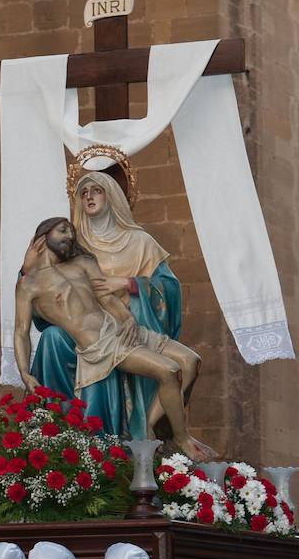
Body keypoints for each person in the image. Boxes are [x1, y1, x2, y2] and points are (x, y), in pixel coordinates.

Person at [14, 217, 213, 461]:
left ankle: (150, 430)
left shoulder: (83, 263)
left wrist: (127, 318)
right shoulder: (29, 284)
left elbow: (106, 298)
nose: (70, 236)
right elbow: (21, 331)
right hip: (101, 345)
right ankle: (181, 440)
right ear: (43, 238)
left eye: (72, 232)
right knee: (169, 371)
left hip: (120, 328)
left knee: (191, 361)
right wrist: (24, 372)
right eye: (62, 230)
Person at [25, 171, 182, 437]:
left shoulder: (141, 242)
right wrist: (26, 268)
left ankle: (133, 433)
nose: (89, 197)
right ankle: (55, 425)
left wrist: (129, 284)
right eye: (83, 193)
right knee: (52, 337)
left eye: (96, 191)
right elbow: (41, 285)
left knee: (184, 364)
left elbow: (170, 288)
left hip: (131, 323)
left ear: (112, 196)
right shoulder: (73, 244)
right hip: (85, 326)